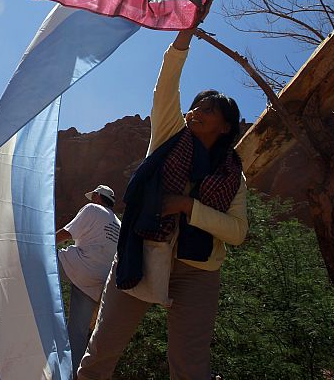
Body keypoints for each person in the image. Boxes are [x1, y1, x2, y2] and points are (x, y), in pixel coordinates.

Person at [77, 20, 248, 380]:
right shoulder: (170, 136)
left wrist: (188, 207)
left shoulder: (234, 176)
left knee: (190, 366)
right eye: (197, 105)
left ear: (227, 126)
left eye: (209, 109)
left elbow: (236, 232)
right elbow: (166, 87)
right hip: (141, 252)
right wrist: (185, 33)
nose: (198, 111)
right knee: (102, 350)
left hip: (198, 271)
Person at [56, 184, 121, 378]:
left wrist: (43, 242)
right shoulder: (119, 223)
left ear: (97, 197)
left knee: (40, 261)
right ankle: (71, 375)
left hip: (80, 265)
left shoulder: (93, 209)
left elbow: (67, 234)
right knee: (78, 331)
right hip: (100, 280)